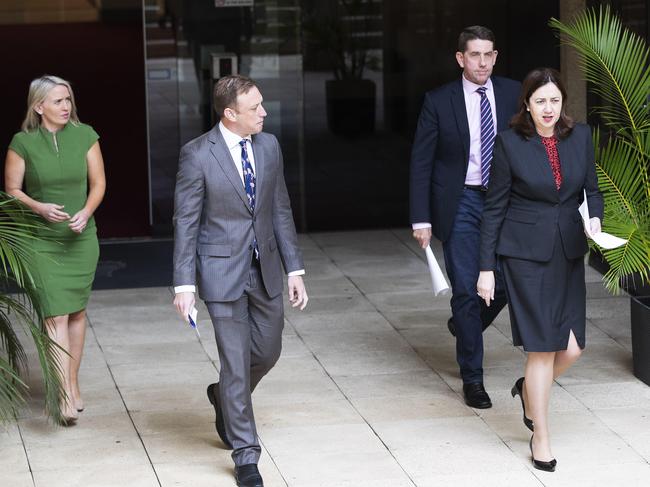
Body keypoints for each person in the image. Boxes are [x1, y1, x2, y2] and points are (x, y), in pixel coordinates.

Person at [173, 74, 308, 487]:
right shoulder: (197, 155)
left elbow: (279, 208)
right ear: (230, 114)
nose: (264, 112)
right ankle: (246, 454)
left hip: (264, 267)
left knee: (267, 351)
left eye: (262, 104)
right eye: (255, 108)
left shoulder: (269, 146)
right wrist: (184, 285)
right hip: (220, 272)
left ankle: (223, 395)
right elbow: (186, 221)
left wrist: (294, 268)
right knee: (235, 361)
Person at [477, 67, 603, 472]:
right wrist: (486, 268)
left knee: (573, 347)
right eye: (539, 101)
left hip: (568, 250)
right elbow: (494, 207)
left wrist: (595, 218)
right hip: (525, 255)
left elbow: (592, 190)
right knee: (542, 347)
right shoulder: (510, 143)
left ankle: (528, 390)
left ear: (562, 101)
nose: (548, 108)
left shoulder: (580, 136)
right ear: (526, 105)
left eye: (554, 100)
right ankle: (540, 435)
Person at [409, 26, 520, 408]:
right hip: (461, 202)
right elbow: (422, 162)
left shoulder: (513, 93)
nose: (483, 62)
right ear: (461, 58)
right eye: (475, 55)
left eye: (489, 54)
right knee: (466, 289)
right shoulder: (439, 101)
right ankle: (473, 378)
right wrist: (420, 217)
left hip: (505, 201)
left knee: (509, 279)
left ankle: (464, 323)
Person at [5, 75, 106, 424]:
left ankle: (72, 383)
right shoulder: (22, 143)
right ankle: (62, 393)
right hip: (41, 241)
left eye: (68, 99)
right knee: (55, 314)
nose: (66, 106)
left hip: (80, 238)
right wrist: (39, 207)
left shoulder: (86, 135)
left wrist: (86, 211)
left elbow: (99, 183)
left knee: (76, 312)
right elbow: (12, 189)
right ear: (39, 106)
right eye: (58, 101)